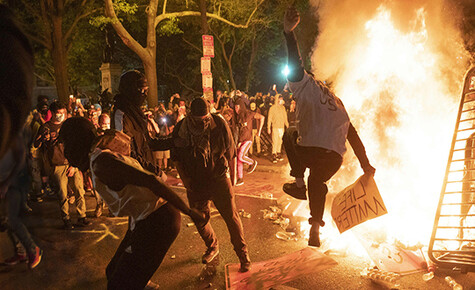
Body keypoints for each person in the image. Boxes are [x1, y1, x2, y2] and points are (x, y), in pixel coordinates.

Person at [59, 117, 205, 289]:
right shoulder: (98, 157)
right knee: (113, 271)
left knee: (119, 284)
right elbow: (135, 196)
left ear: (76, 142)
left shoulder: (102, 164)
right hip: (146, 218)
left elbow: (152, 182)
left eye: (65, 144)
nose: (64, 152)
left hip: (160, 221)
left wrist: (189, 211)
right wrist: (133, 231)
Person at [282, 6, 376, 247]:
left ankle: (298, 184)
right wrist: (366, 165)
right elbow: (353, 135)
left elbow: (295, 62)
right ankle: (314, 229)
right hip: (333, 158)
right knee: (319, 183)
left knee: (290, 134)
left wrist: (288, 33)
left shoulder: (304, 84)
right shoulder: (338, 101)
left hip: (311, 150)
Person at [172, 97, 251, 272]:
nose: (202, 123)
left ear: (209, 114)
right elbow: (176, 158)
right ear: (190, 116)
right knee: (199, 218)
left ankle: (243, 255)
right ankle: (212, 246)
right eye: (197, 120)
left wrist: (232, 179)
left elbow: (231, 153)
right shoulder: (181, 128)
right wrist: (186, 181)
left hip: (218, 177)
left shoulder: (219, 124)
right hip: (196, 181)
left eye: (205, 119)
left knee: (231, 217)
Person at [0, 4, 42, 269]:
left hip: (14, 182)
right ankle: (21, 250)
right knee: (8, 221)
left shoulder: (17, 134)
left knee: (12, 220)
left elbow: (19, 156)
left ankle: (32, 249)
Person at [34, 101, 90, 230]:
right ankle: (66, 219)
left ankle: (82, 216)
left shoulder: (68, 126)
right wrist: (42, 139)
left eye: (63, 113)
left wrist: (74, 165)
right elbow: (36, 144)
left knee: (79, 190)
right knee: (62, 194)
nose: (61, 115)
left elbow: (76, 145)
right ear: (52, 113)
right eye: (59, 113)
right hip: (57, 164)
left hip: (71, 162)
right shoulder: (46, 127)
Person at [234, 98, 265, 186]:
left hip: (247, 140)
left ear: (241, 107)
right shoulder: (237, 117)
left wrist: (259, 131)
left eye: (237, 107)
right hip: (240, 140)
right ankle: (240, 179)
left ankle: (252, 162)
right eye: (235, 107)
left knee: (241, 156)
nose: (236, 109)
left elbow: (262, 117)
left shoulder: (249, 113)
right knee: (238, 160)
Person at [267, 94, 289, 163]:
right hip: (275, 127)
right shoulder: (272, 108)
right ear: (277, 99)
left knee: (280, 140)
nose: (282, 100)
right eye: (280, 98)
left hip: (281, 127)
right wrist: (268, 127)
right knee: (275, 141)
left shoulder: (283, 108)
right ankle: (274, 154)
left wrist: (287, 125)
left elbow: (285, 117)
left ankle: (278, 153)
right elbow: (269, 118)